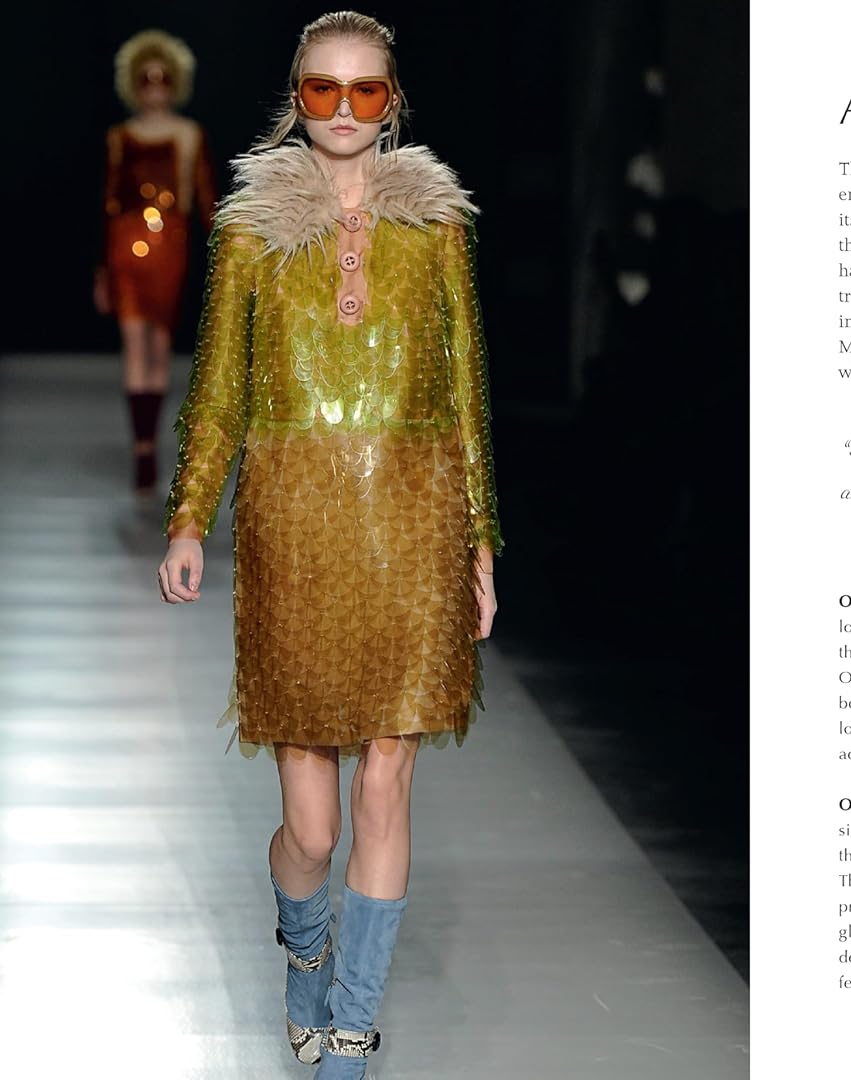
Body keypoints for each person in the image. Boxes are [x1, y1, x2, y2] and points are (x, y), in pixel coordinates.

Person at [155, 11, 502, 1077]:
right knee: (311, 831)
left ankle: (350, 1031)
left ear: (392, 102)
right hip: (294, 529)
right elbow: (219, 391)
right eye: (322, 89)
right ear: (296, 97)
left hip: (415, 519)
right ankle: (305, 952)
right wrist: (190, 518)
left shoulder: (437, 226)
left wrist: (481, 539)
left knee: (386, 786)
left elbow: (468, 389)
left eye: (364, 91)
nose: (343, 110)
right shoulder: (252, 230)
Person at [96, 29, 217, 493]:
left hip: (170, 243)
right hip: (124, 244)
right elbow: (108, 202)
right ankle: (142, 447)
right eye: (145, 80)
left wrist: (226, 250)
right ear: (133, 84)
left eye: (162, 79)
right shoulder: (119, 137)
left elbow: (205, 199)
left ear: (175, 83)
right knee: (133, 343)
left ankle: (149, 441)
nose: (154, 89)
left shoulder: (189, 135)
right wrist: (102, 270)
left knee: (160, 344)